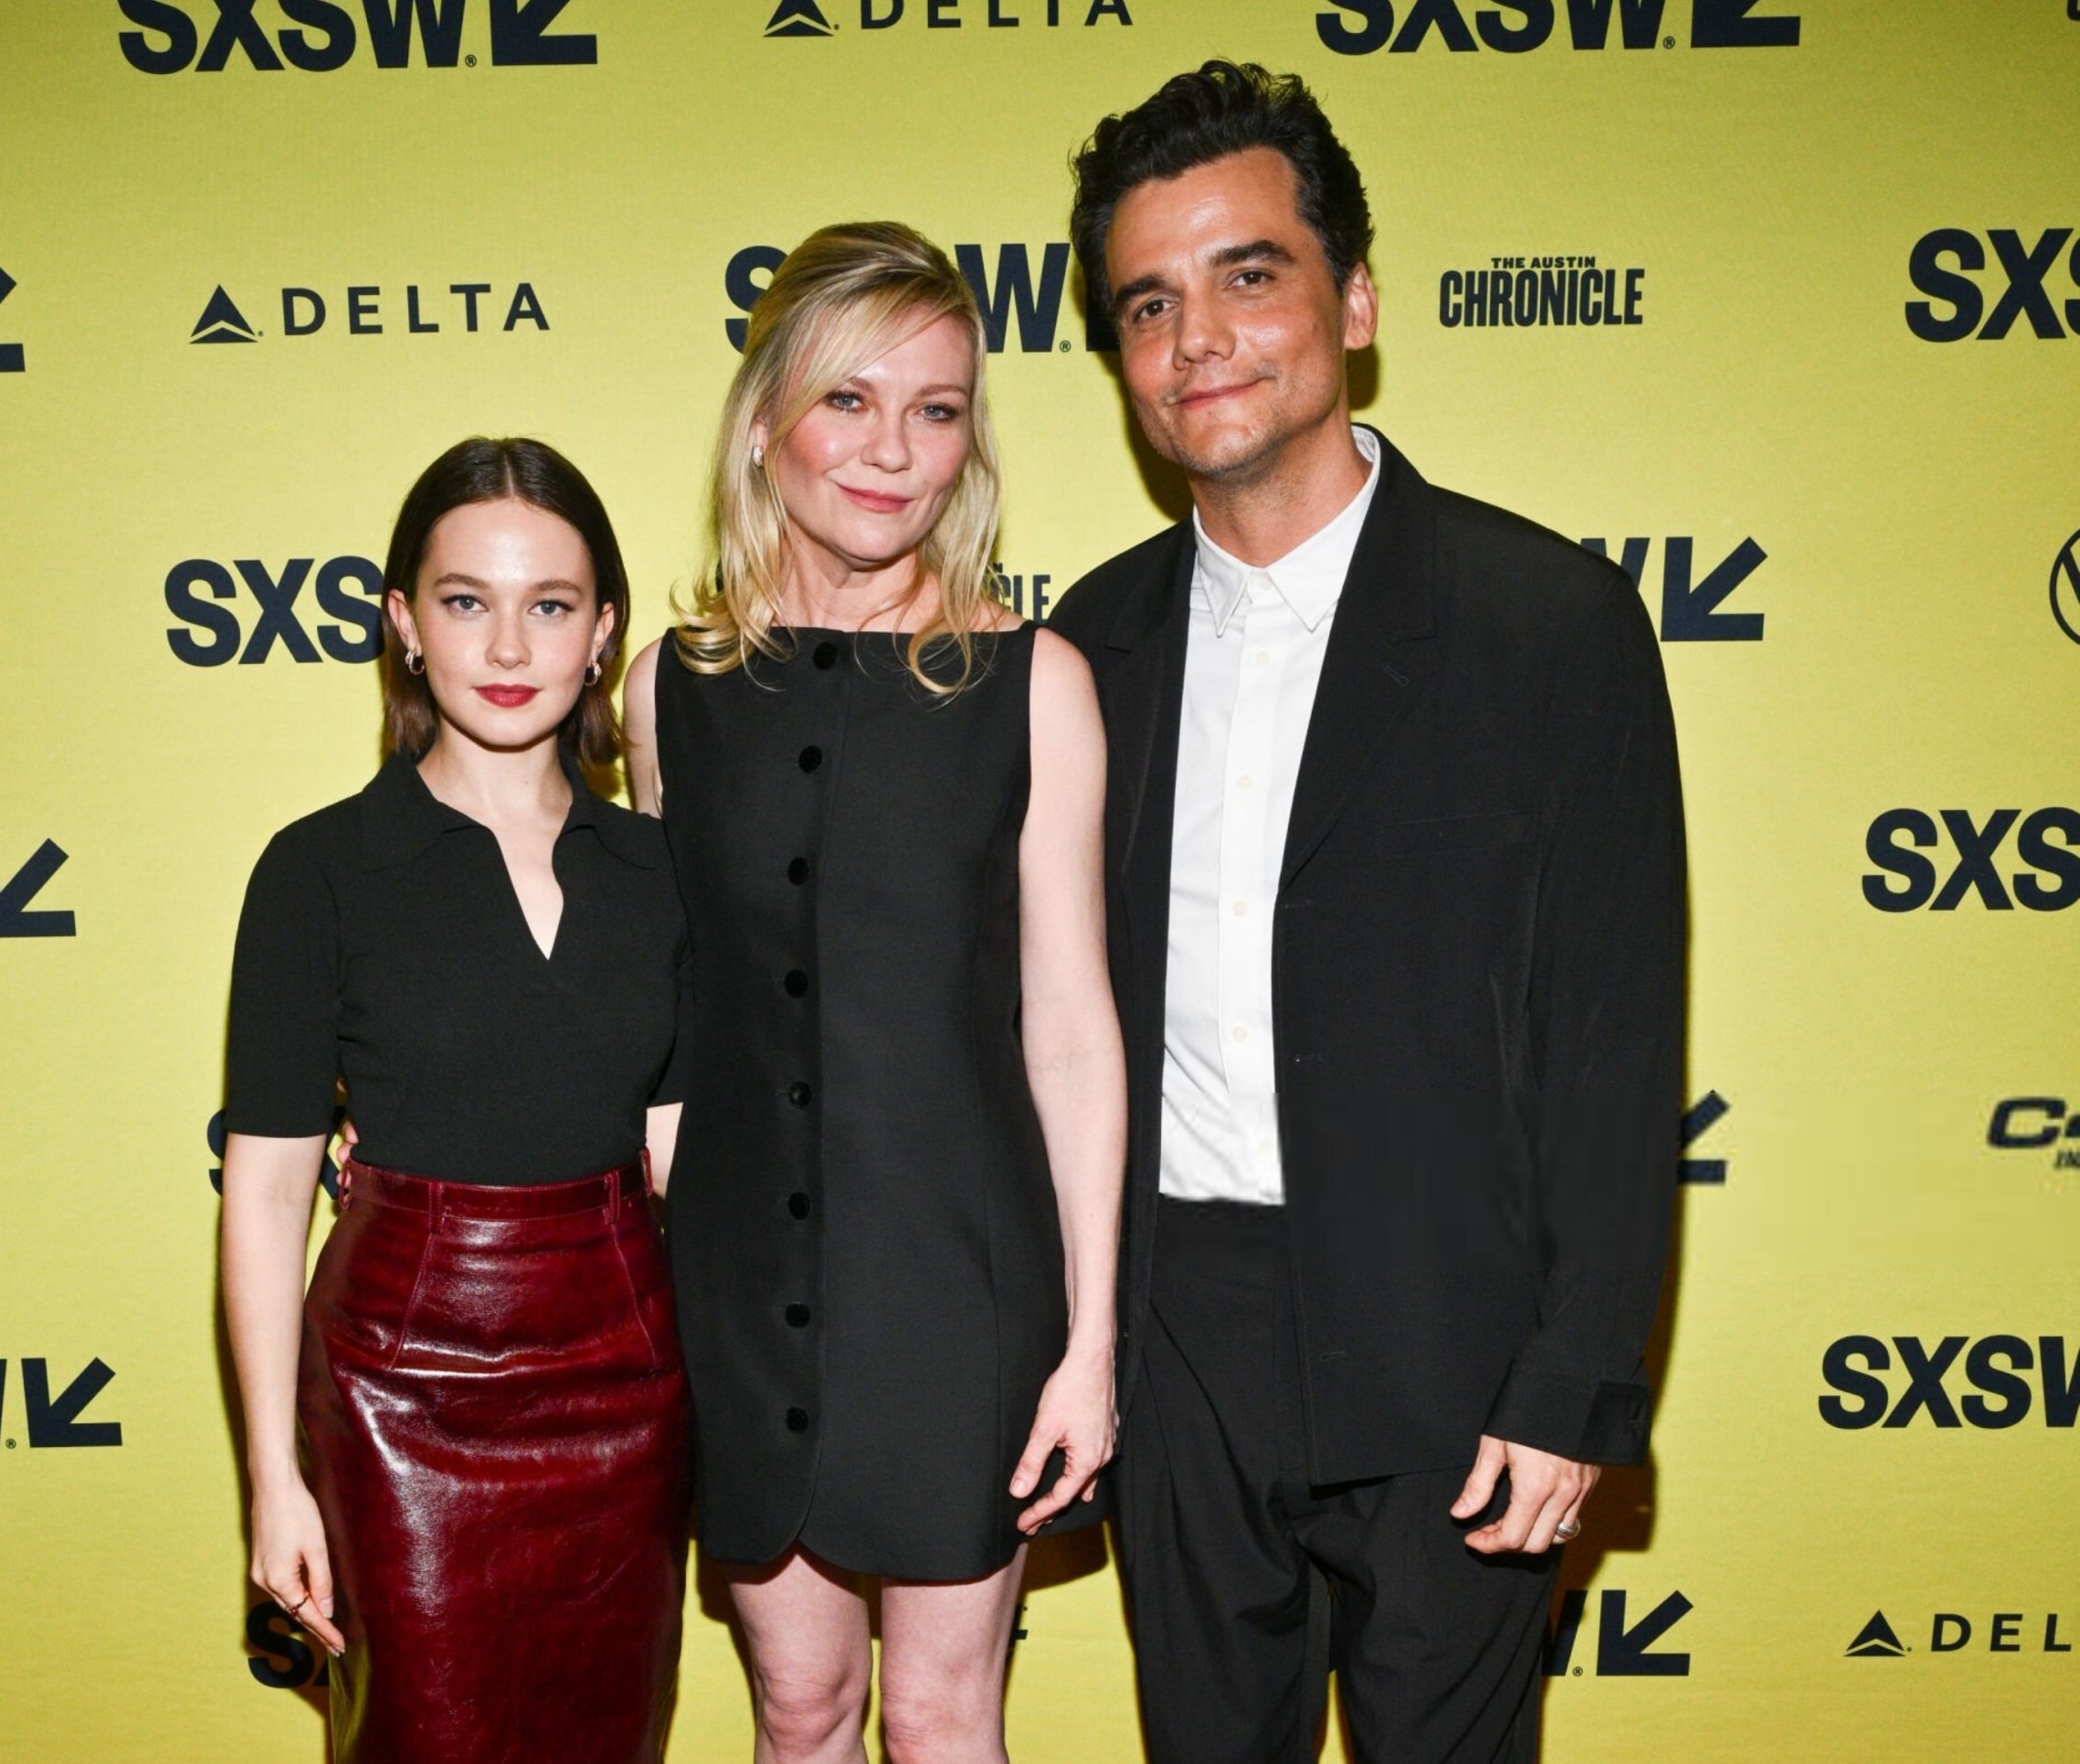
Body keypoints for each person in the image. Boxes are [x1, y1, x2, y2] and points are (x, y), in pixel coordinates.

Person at [1047, 63, 1688, 1763]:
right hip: (1177, 1344)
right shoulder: (1086, 648)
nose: (1198, 340)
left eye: (1249, 275)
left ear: (1357, 301)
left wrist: (1573, 1381)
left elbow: (1614, 1043)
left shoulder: (1548, 623)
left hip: (1453, 1336)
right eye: (1149, 304)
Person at [622, 222, 1125, 1764]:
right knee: (801, 1708)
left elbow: (1071, 1033)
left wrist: (1091, 1341)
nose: (894, 451)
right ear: (764, 419)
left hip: (957, 1286)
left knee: (939, 1714)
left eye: (937, 409)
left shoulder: (1034, 683)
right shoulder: (668, 689)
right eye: (849, 400)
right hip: (738, 1283)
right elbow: (662, 1011)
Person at [219, 438, 692, 1764]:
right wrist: (273, 1480)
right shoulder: (320, 869)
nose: (509, 644)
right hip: (395, 1393)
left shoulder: (660, 873)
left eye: (552, 604)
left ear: (603, 633)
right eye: (466, 600)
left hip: (626, 1390)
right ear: (404, 623)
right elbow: (267, 1193)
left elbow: (679, 1156)